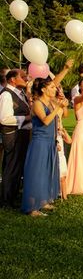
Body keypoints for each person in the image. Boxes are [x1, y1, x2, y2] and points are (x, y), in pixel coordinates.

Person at [21, 77, 66, 216]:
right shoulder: (37, 104)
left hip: (50, 141)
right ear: (43, 89)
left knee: (48, 171)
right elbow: (46, 121)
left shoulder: (51, 103)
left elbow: (60, 117)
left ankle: (43, 200)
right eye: (52, 87)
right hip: (40, 142)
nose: (55, 89)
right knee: (37, 173)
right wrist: (58, 107)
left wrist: (60, 106)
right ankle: (32, 207)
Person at [0, 69, 32, 207]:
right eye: (23, 76)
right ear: (12, 79)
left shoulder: (21, 94)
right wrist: (26, 118)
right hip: (13, 136)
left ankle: (12, 195)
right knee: (11, 166)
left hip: (21, 135)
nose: (27, 78)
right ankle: (6, 200)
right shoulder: (6, 95)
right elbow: (5, 119)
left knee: (17, 166)